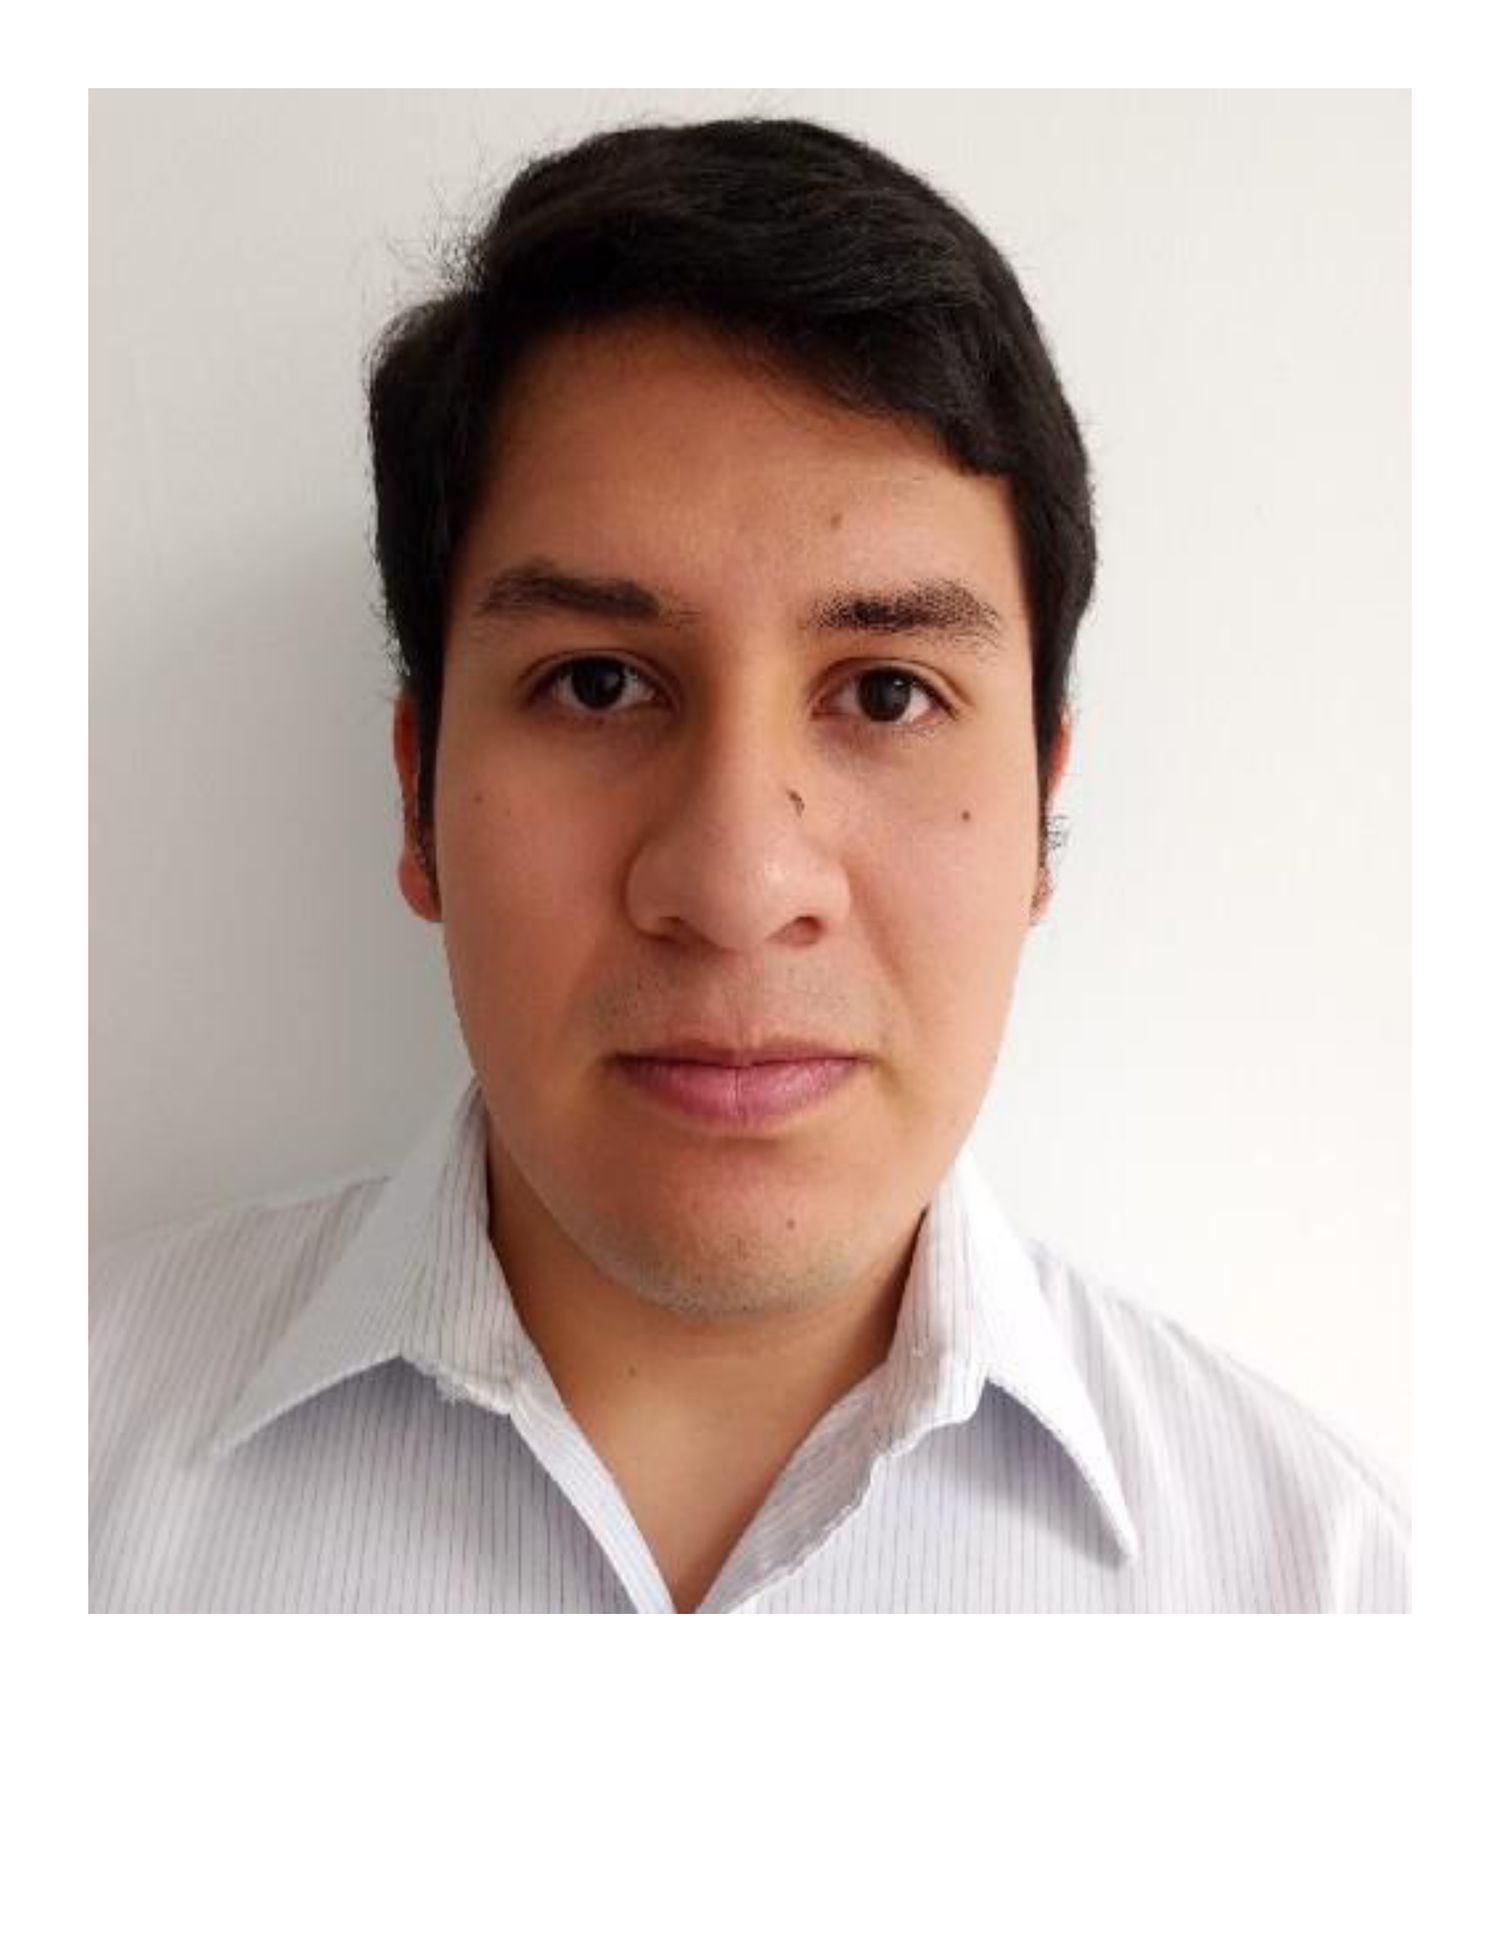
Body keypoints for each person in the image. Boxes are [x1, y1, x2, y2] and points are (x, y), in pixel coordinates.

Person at [89, 114, 1409, 1614]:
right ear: (418, 802)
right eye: (597, 683)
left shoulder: (1337, 1589)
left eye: (888, 693)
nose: (737, 886)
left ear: (1041, 806)